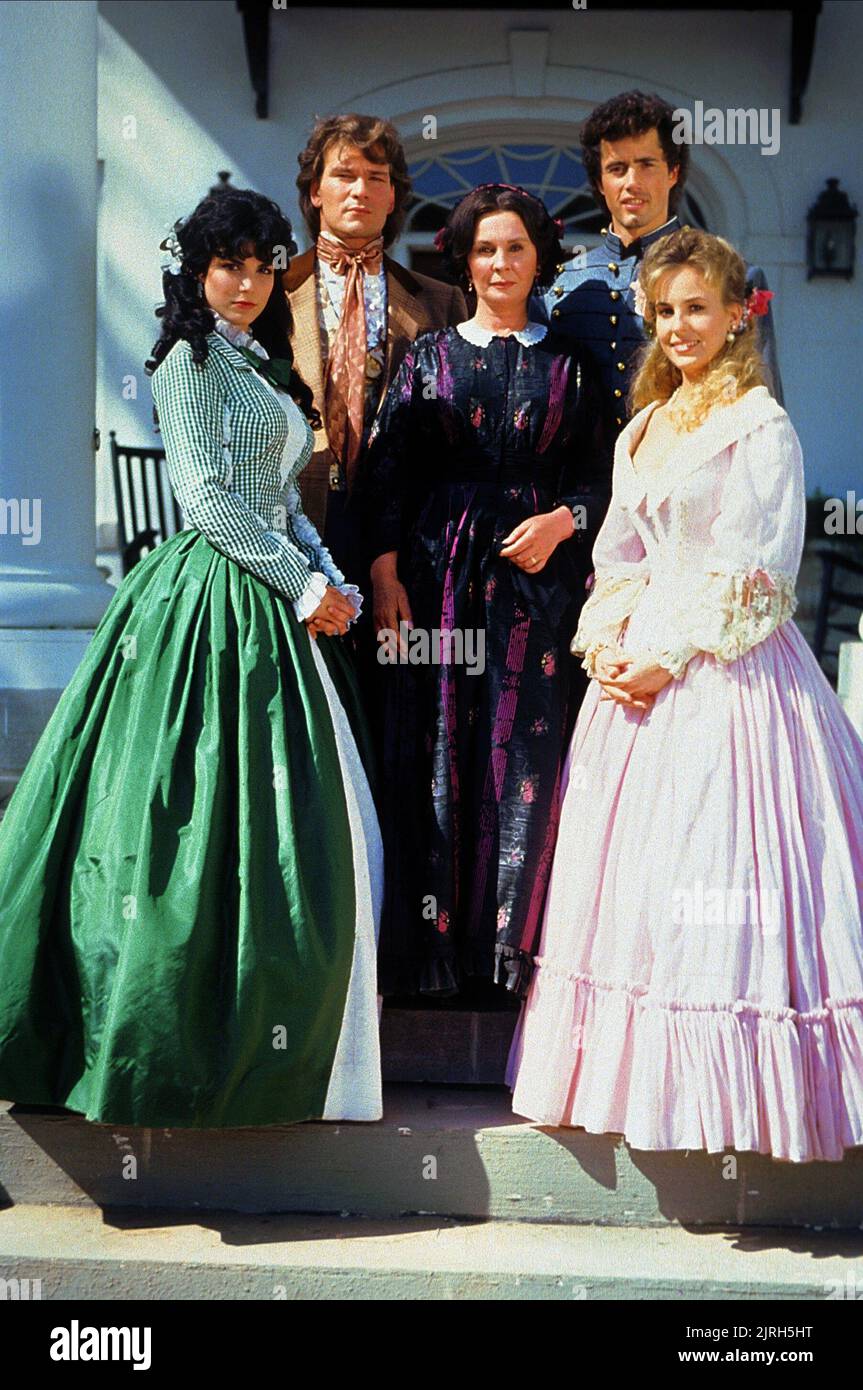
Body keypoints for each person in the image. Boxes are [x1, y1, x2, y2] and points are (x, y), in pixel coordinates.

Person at [0, 187, 383, 1128]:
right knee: (190, 816)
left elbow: (283, 503)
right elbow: (210, 503)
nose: (248, 284)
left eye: (261, 267)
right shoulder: (186, 360)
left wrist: (330, 578)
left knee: (317, 823)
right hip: (209, 603)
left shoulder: (258, 366)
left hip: (273, 591)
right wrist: (300, 590)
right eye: (229, 267)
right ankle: (170, 1044)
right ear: (197, 273)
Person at [508, 227, 863, 1163]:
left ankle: (741, 1102)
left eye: (696, 308)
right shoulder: (642, 426)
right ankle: (635, 1085)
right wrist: (608, 641)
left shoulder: (759, 424)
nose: (677, 326)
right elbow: (618, 551)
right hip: (637, 679)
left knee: (723, 872)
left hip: (727, 671)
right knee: (637, 886)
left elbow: (758, 572)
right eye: (663, 311)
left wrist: (669, 654)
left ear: (735, 313)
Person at [352, 184, 610, 1001]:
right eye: (485, 250)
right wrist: (386, 574)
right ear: (465, 262)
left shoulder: (572, 362)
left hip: (538, 587)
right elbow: (385, 474)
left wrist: (562, 523)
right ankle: (428, 963)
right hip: (438, 583)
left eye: (515, 249)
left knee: (523, 750)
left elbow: (607, 480)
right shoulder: (427, 357)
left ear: (540, 259)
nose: (500, 264)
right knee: (437, 748)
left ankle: (508, 956)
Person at [541, 90, 782, 447]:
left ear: (673, 172)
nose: (631, 182)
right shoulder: (559, 285)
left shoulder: (735, 279)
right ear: (599, 183)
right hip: (579, 497)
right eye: (617, 169)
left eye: (646, 164)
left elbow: (761, 414)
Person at [286, 113, 467, 565]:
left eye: (376, 178)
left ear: (392, 197)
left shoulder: (441, 303)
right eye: (344, 175)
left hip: (403, 536)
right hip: (291, 527)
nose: (359, 190)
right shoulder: (273, 292)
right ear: (315, 190)